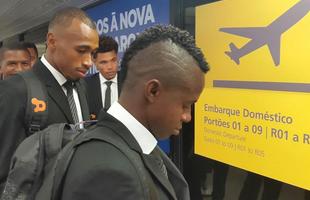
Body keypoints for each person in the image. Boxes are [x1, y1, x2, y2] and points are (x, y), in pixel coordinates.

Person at [61, 24, 209, 200]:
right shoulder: (108, 172)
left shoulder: (133, 147)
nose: (187, 116)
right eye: (185, 104)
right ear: (152, 91)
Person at [0, 7, 98, 192]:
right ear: (52, 41)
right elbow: (5, 175)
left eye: (92, 53)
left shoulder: (81, 86)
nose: (88, 62)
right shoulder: (15, 91)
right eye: (81, 50)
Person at [85, 35, 120, 119]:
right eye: (104, 62)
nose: (110, 67)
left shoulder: (129, 81)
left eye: (113, 60)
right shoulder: (84, 86)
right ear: (95, 63)